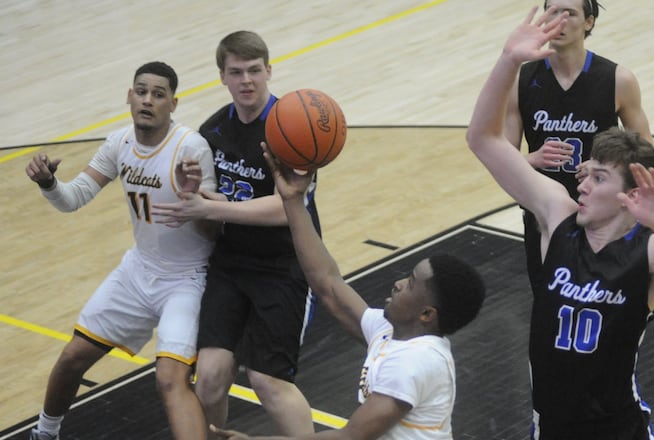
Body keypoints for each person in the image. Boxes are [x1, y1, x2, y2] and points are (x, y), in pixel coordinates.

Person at [466, 7, 654, 439]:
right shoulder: (557, 216)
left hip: (615, 429)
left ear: (630, 193)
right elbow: (482, 139)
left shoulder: (646, 249)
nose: (582, 183)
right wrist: (508, 60)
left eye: (598, 177)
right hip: (552, 427)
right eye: (586, 173)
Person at [204, 144, 486, 440]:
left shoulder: (413, 362)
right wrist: (293, 201)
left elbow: (349, 437)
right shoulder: (391, 333)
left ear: (426, 314)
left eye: (411, 283)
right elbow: (327, 283)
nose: (399, 283)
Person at [24, 61, 217, 440]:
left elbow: (214, 230)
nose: (148, 100)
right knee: (72, 358)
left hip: (187, 280)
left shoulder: (190, 147)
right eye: (141, 92)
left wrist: (194, 199)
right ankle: (44, 433)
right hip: (138, 272)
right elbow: (73, 198)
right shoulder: (119, 143)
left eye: (158, 94)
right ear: (129, 96)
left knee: (170, 379)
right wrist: (49, 184)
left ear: (173, 104)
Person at [151, 31, 319, 437]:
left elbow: (286, 208)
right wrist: (193, 194)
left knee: (267, 380)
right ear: (222, 77)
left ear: (269, 71)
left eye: (254, 70)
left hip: (284, 265)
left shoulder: (293, 126)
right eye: (237, 72)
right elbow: (207, 210)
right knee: (209, 376)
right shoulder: (212, 132)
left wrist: (212, 207)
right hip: (230, 264)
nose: (246, 80)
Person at [508, 0, 654, 285]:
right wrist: (532, 159)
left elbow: (646, 152)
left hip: (605, 212)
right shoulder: (519, 80)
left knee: (609, 296)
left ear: (589, 22)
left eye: (570, 13)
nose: (559, 21)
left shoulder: (618, 79)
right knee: (548, 297)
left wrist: (605, 167)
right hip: (544, 214)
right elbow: (500, 155)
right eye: (552, 12)